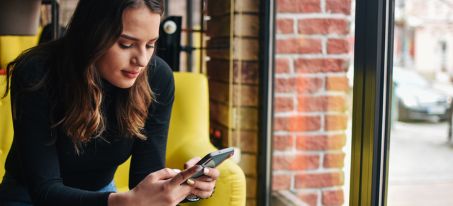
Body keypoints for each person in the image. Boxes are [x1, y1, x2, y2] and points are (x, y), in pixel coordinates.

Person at [0, 0, 219, 205]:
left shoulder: (157, 77)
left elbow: (144, 180)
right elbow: (44, 190)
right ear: (92, 34)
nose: (142, 60)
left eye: (150, 44)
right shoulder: (37, 72)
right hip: (29, 197)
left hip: (106, 196)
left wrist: (188, 185)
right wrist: (124, 202)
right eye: (126, 44)